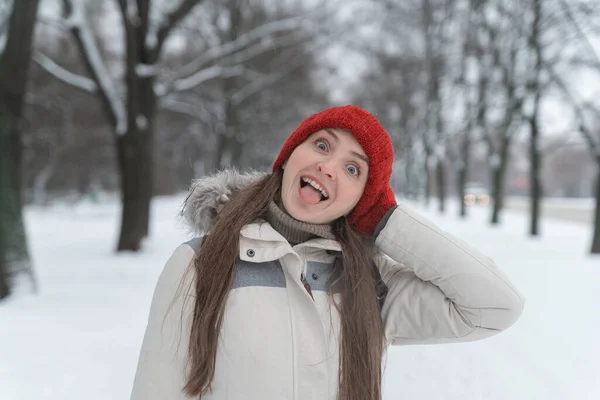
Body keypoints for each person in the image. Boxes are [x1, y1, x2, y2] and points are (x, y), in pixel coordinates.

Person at [130, 105, 525, 400]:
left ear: (363, 199)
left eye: (354, 170)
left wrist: (387, 221)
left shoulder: (370, 284)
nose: (329, 167)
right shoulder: (200, 262)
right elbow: (158, 389)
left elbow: (495, 306)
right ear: (289, 157)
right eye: (322, 145)